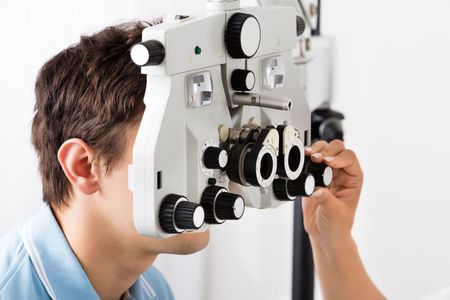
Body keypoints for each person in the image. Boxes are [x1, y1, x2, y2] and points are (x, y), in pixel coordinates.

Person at [0, 20, 385, 300]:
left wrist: (330, 241)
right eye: (178, 144)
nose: (212, 173)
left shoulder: (151, 290)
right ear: (84, 167)